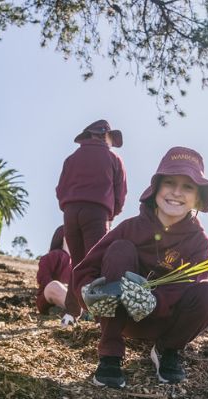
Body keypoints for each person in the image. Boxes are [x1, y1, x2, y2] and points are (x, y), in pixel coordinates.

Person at [74, 147, 208, 389]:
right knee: (120, 249)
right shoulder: (130, 227)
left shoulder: (199, 242)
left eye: (188, 186)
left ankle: (166, 350)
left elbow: (191, 284)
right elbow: (86, 268)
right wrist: (87, 291)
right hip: (122, 318)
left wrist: (154, 300)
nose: (176, 192)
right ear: (156, 188)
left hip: (164, 321)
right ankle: (110, 354)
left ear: (198, 197)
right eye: (169, 182)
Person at [55, 119, 127, 326]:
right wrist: (112, 214)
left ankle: (70, 314)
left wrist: (68, 206)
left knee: (77, 264)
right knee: (97, 265)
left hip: (70, 212)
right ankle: (100, 317)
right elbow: (120, 193)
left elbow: (60, 189)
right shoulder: (113, 159)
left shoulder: (71, 158)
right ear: (105, 135)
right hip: (97, 213)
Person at [35, 226, 72, 314]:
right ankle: (79, 311)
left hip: (70, 297)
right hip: (48, 297)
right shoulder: (53, 255)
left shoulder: (77, 262)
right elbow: (42, 278)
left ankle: (66, 309)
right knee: (54, 286)